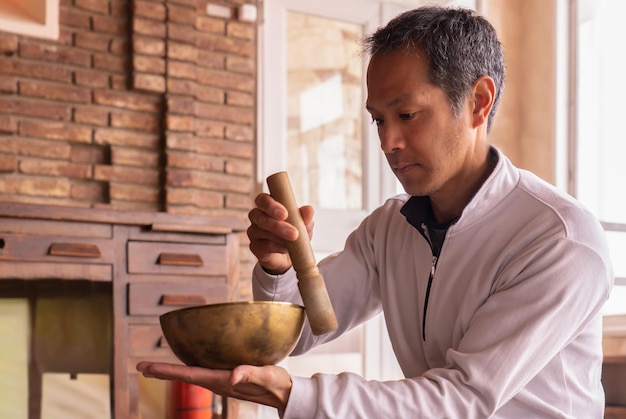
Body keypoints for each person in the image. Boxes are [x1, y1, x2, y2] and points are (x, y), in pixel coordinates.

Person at [137, 5, 614, 418]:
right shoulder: (390, 227)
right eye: (378, 120)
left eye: (406, 115)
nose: (388, 143)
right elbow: (304, 329)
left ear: (478, 101)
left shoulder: (559, 240)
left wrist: (294, 394)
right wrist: (278, 266)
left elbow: (463, 399)